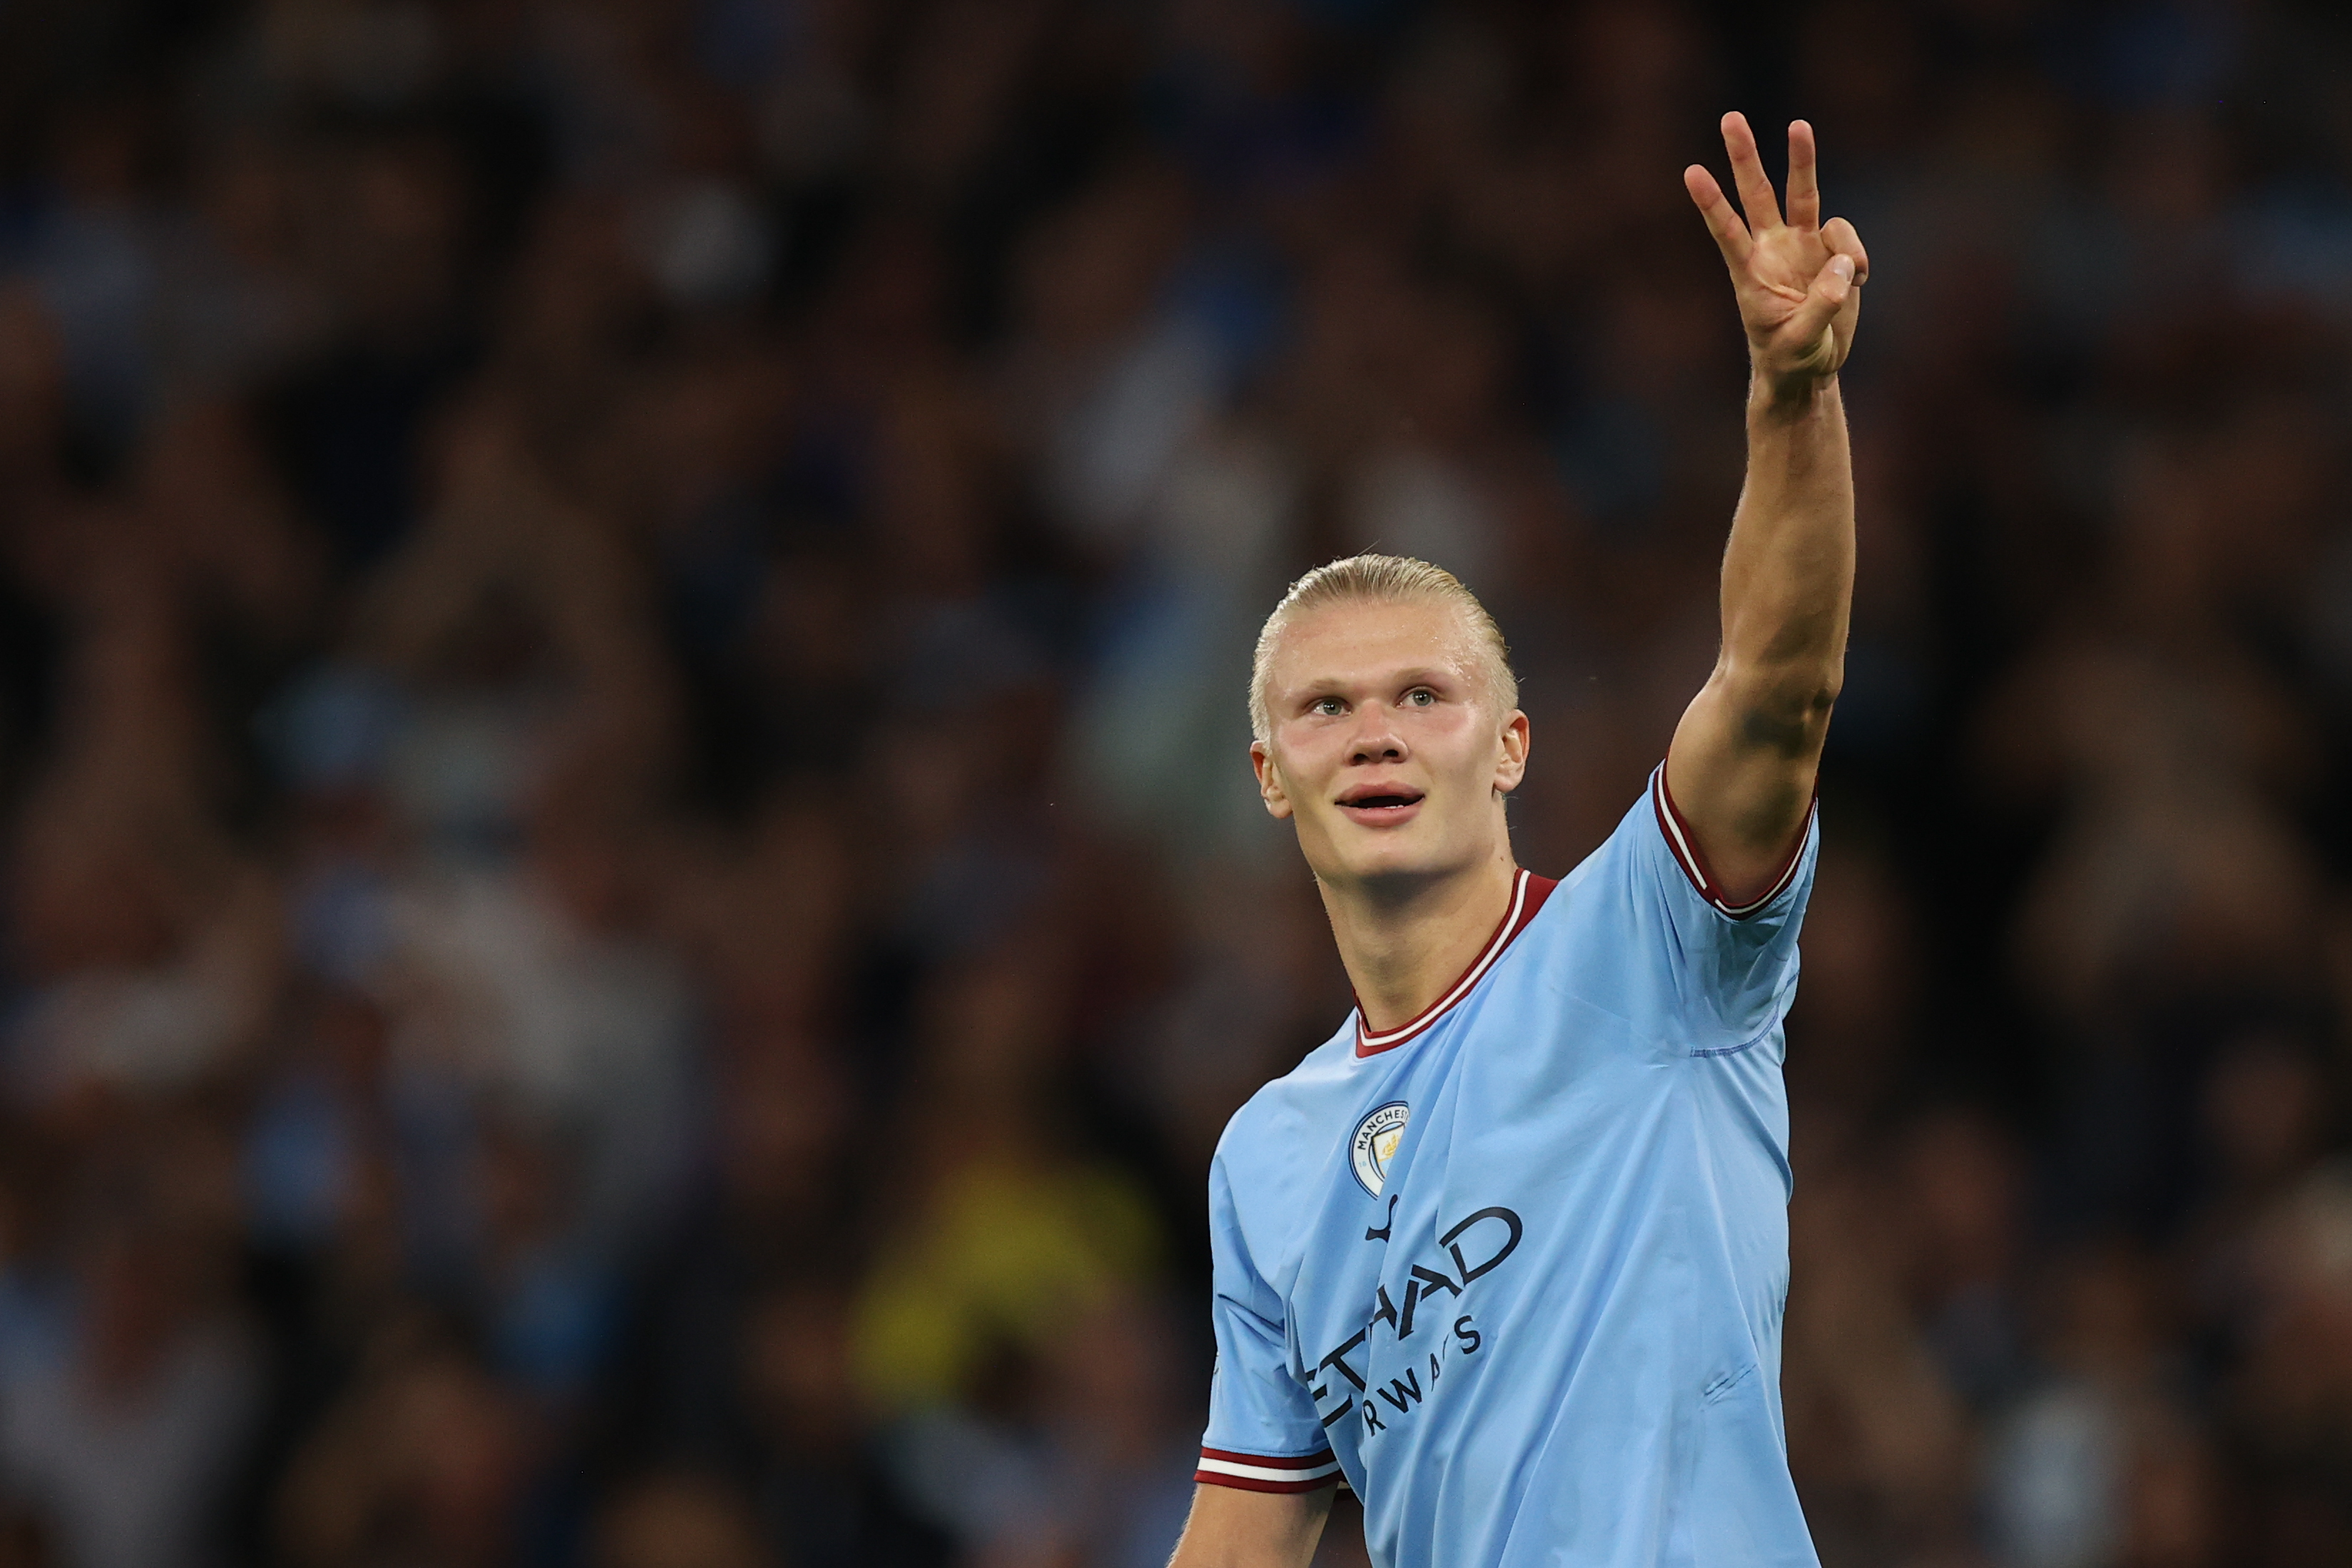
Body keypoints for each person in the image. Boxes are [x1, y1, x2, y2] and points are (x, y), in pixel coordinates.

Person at [1167, 113, 1866, 1568]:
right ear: (1267, 775)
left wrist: (1788, 402)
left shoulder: (1647, 944)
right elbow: (1237, 1546)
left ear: (1508, 745)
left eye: (1422, 694)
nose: (1373, 731)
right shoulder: (1266, 1159)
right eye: (1324, 707)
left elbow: (1775, 685)